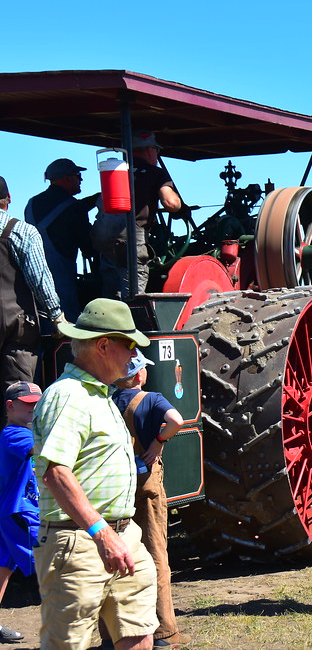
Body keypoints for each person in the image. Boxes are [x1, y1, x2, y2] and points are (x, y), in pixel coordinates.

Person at [32, 298, 157, 650]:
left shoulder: (99, 395)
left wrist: (118, 534)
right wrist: (101, 532)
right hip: (80, 543)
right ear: (103, 346)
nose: (134, 354)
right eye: (129, 344)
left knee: (139, 634)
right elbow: (56, 472)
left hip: (121, 537)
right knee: (68, 644)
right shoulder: (70, 396)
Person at [111, 351, 191, 648]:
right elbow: (176, 420)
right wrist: (158, 442)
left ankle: (114, 633)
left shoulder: (107, 401)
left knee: (118, 555)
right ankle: (163, 631)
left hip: (114, 487)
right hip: (145, 484)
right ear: (138, 375)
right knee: (155, 552)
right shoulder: (152, 398)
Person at [0, 176, 64, 415]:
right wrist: (57, 317)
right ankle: (15, 450)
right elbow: (40, 281)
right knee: (19, 398)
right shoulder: (22, 231)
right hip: (16, 327)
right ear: (8, 200)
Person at [96, 131, 183, 299]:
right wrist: (182, 207)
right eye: (156, 151)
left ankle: (105, 323)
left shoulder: (117, 173)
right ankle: (133, 322)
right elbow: (170, 204)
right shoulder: (155, 173)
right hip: (130, 239)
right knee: (133, 294)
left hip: (104, 237)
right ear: (150, 150)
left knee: (110, 292)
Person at [25, 158, 99, 320]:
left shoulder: (31, 204)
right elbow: (90, 247)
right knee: (67, 324)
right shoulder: (73, 208)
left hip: (31, 277)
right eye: (78, 175)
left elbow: (60, 213)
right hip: (62, 281)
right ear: (66, 178)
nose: (81, 179)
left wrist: (93, 200)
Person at [0, 382, 43, 645]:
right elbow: (41, 449)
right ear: (10, 406)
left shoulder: (24, 431)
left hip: (14, 511)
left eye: (37, 403)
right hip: (21, 513)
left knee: (2, 568)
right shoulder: (15, 434)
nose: (33, 408)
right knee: (58, 560)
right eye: (27, 403)